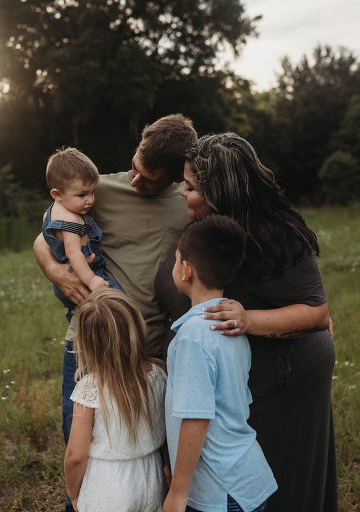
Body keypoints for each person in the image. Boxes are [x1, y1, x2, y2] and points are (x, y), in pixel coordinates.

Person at [168, 132, 337, 512]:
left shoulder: (275, 232)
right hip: (247, 371)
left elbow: (316, 313)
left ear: (219, 193)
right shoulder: (213, 227)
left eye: (191, 187)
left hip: (290, 371)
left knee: (288, 477)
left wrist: (247, 318)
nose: (182, 192)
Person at [34, 114, 197, 447]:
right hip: (91, 339)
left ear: (176, 177)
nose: (135, 181)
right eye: (134, 167)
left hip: (149, 345)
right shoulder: (98, 191)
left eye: (148, 179)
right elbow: (44, 237)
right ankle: (76, 503)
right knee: (81, 443)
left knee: (145, 448)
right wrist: (54, 271)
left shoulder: (189, 202)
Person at [164, 216, 277, 512]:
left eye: (176, 260)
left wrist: (177, 492)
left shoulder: (194, 336)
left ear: (186, 270)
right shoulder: (232, 326)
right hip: (247, 476)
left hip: (222, 490)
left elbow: (197, 418)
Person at [64, 288, 167, 512]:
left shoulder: (90, 388)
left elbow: (75, 455)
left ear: (88, 343)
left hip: (107, 486)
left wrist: (73, 492)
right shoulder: (158, 375)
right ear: (137, 328)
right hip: (151, 479)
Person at [42, 147, 123, 321]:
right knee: (120, 304)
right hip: (85, 275)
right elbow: (74, 253)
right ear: (57, 194)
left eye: (93, 192)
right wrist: (93, 280)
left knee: (83, 316)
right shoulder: (69, 220)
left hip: (78, 275)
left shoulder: (55, 210)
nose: (91, 200)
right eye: (82, 194)